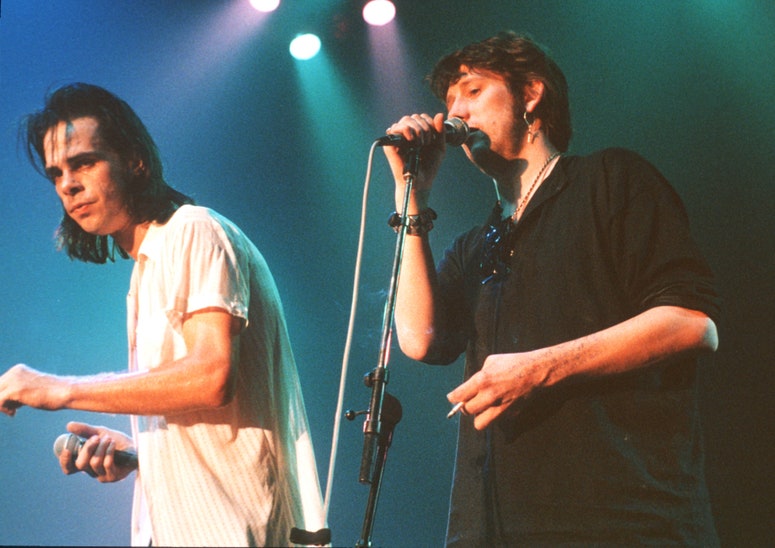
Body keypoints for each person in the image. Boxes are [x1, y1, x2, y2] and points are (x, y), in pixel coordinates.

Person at [381, 32, 721, 545]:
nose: (455, 112)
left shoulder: (610, 179)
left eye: (472, 91)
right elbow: (420, 339)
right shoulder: (475, 245)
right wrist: (412, 199)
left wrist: (539, 368)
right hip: (493, 526)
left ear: (531, 94)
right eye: (448, 100)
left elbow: (692, 325)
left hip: (621, 521)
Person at [0, 83, 325, 547]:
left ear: (135, 160)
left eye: (84, 162)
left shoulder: (193, 230)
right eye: (56, 173)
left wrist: (59, 389)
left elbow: (212, 376)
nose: (68, 184)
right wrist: (140, 453)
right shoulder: (146, 271)